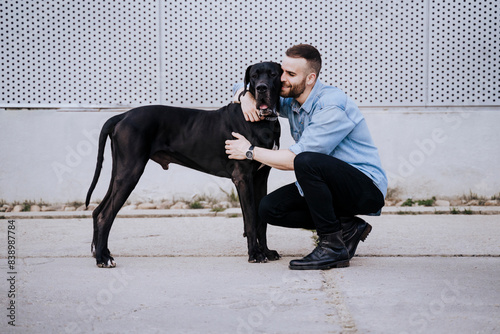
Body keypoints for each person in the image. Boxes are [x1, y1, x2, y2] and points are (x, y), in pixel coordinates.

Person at [225, 44, 387, 270]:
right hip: (330, 185)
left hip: (363, 188)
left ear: (310, 78)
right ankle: (347, 227)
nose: (282, 79)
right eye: (282, 72)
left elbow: (294, 160)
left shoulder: (331, 105)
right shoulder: (291, 99)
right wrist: (245, 96)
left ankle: (332, 246)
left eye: (291, 75)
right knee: (269, 208)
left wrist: (249, 151)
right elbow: (245, 86)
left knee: (305, 160)